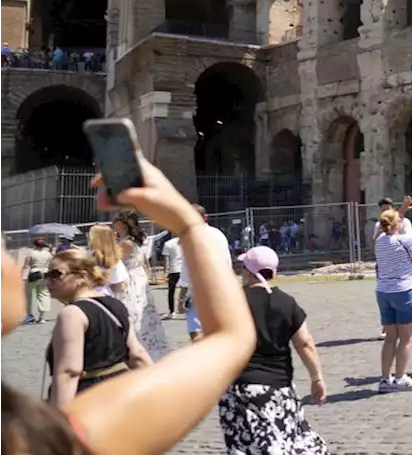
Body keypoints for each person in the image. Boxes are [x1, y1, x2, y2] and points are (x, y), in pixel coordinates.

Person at [0, 154, 256, 455]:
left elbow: (71, 370)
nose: (9, 259)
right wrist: (185, 223)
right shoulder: (34, 438)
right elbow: (232, 337)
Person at [218, 246, 328, 454]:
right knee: (288, 442)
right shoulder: (286, 302)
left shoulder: (232, 301)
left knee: (246, 447)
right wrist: (317, 378)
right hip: (279, 387)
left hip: (239, 388)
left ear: (249, 272)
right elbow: (305, 343)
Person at [46, 248, 153, 404]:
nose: (48, 282)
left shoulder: (72, 314)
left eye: (56, 275)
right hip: (122, 392)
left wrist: (58, 419)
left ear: (81, 276)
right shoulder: (115, 304)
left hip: (89, 398)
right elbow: (137, 355)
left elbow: (69, 372)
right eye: (47, 276)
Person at [373, 207, 412, 392]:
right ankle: (400, 377)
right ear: (396, 224)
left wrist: (400, 210)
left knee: (391, 338)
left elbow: (390, 225)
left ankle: (385, 379)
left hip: (383, 291)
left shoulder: (379, 241)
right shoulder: (403, 240)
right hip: (403, 291)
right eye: (399, 220)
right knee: (406, 339)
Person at [112, 210, 170, 359]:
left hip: (130, 278)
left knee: (133, 311)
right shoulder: (125, 240)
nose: (113, 225)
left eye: (116, 222)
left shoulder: (127, 242)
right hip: (134, 276)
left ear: (122, 224)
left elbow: (113, 260)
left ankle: (139, 346)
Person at [181, 205, 235, 342]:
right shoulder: (218, 234)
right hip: (221, 287)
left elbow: (187, 268)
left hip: (200, 290)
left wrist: (181, 296)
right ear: (205, 217)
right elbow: (227, 262)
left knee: (196, 332)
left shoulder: (190, 236)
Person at [20, 237, 54, 324]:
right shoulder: (48, 254)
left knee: (28, 296)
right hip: (45, 275)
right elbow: (51, 265)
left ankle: (29, 315)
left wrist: (23, 276)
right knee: (43, 294)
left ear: (34, 245)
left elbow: (26, 266)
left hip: (34, 274)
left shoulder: (31, 254)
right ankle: (42, 317)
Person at [88, 225, 128, 297]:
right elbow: (121, 287)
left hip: (86, 295)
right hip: (106, 296)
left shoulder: (86, 256)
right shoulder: (115, 260)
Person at [162, 233, 187, 318]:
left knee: (171, 291)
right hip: (184, 269)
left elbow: (166, 259)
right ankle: (186, 308)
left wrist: (166, 271)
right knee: (186, 290)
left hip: (174, 270)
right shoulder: (184, 241)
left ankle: (172, 312)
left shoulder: (168, 243)